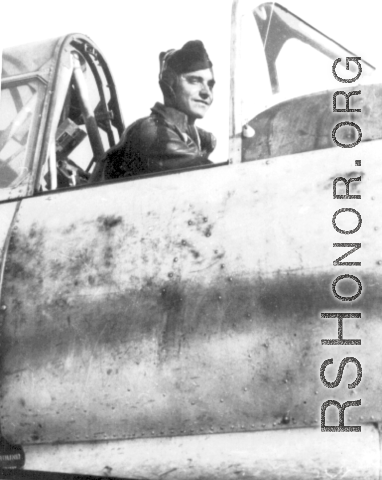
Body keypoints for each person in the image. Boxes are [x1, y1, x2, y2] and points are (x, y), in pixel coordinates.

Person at [102, 40, 216, 180]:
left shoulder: (194, 136)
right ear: (169, 84)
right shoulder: (155, 134)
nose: (207, 93)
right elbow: (209, 179)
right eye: (194, 80)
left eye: (210, 85)